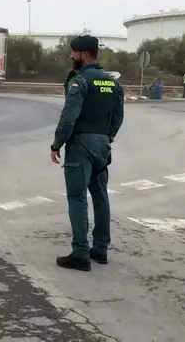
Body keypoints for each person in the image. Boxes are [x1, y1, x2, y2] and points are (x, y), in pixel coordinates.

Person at [50, 35, 124, 271]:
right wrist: (107, 137)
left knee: (77, 197)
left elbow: (69, 116)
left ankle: (80, 252)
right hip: (103, 143)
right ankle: (100, 249)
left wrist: (57, 143)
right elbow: (119, 116)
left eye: (73, 53)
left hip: (81, 143)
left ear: (83, 54)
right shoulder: (112, 82)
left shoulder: (80, 81)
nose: (71, 56)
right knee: (101, 195)